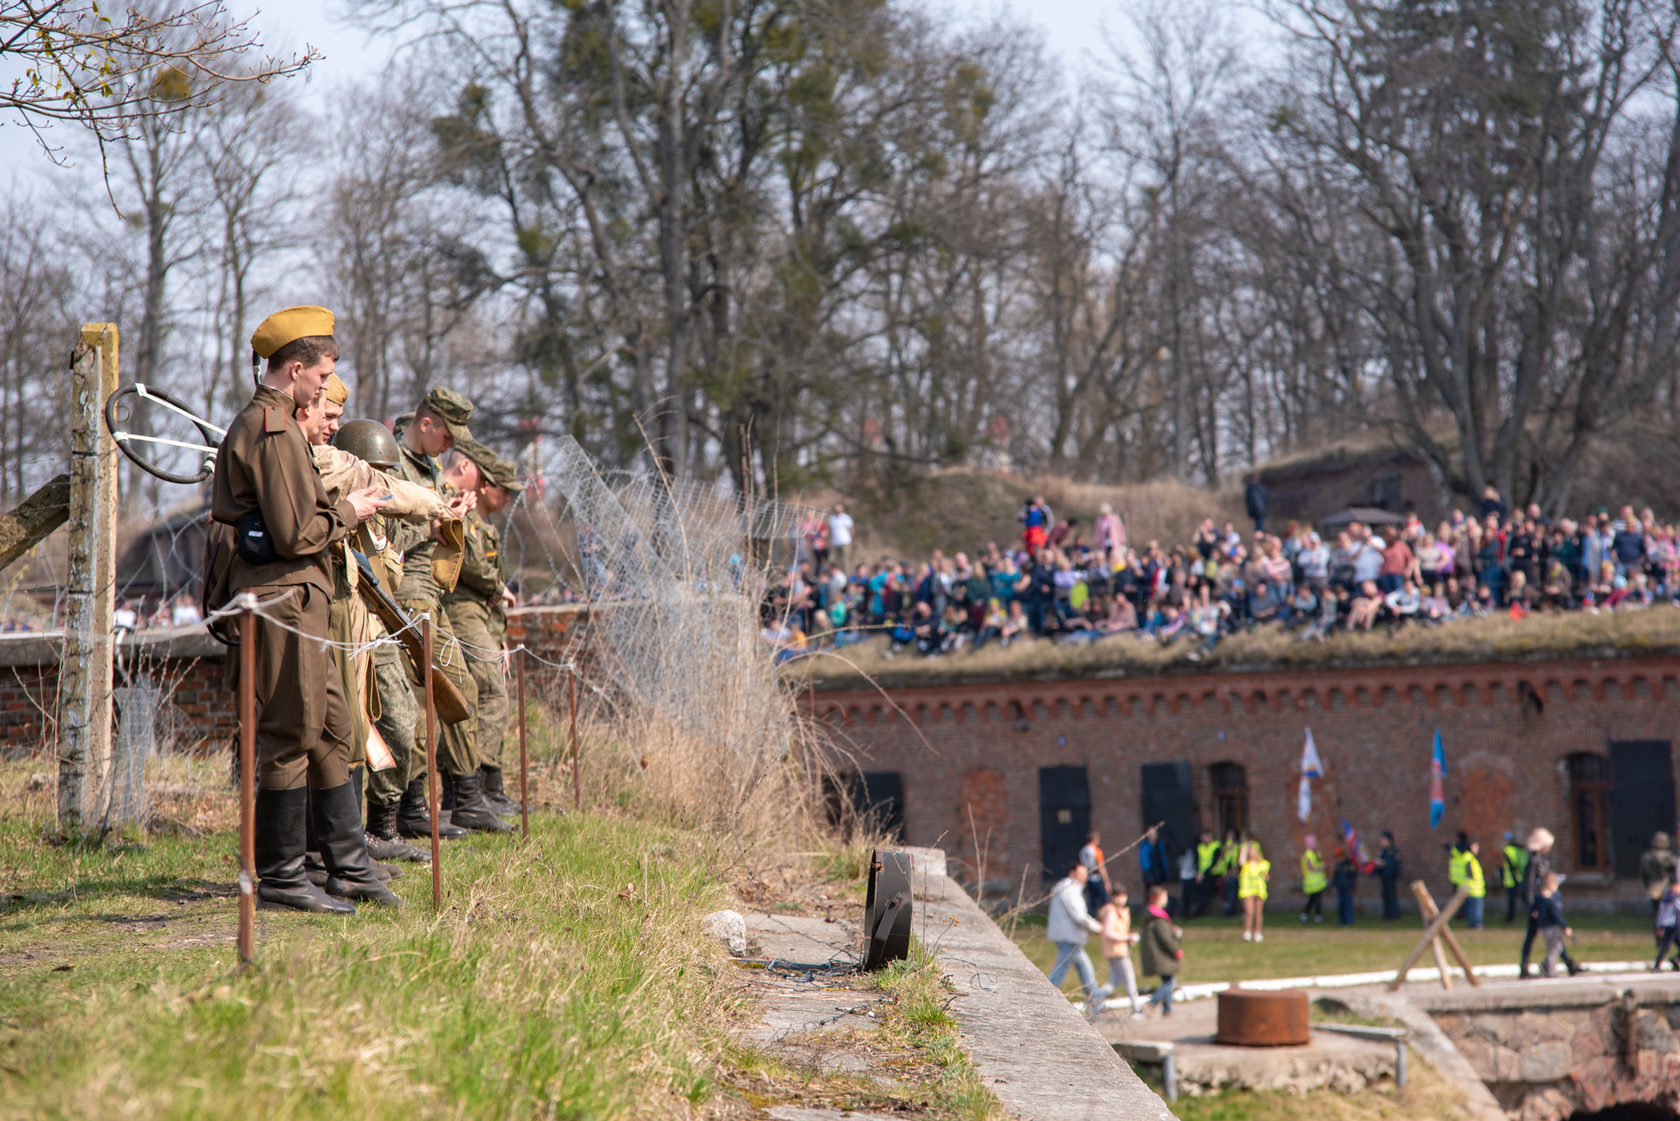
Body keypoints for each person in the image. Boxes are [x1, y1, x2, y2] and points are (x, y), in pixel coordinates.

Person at [211, 306, 393, 913]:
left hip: (302, 600)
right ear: (295, 370)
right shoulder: (272, 429)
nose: (324, 389)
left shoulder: (280, 425)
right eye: (320, 377)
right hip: (284, 598)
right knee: (292, 731)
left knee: (334, 727)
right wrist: (352, 513)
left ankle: (347, 867)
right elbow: (294, 534)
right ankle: (285, 877)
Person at [389, 389, 508, 836]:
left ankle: (465, 797)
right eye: (447, 433)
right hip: (407, 597)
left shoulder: (430, 470)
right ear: (426, 424)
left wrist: (452, 514)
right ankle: (413, 809)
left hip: (431, 598)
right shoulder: (393, 465)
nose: (451, 444)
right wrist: (433, 524)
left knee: (462, 694)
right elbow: (384, 531)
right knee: (421, 706)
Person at [442, 441, 523, 819]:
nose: (508, 497)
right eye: (504, 488)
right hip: (460, 611)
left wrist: (499, 635)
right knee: (485, 691)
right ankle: (472, 788)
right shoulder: (467, 515)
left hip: (479, 616)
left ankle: (486, 786)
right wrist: (496, 586)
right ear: (485, 486)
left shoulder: (484, 523)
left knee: (490, 690)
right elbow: (471, 568)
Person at [1519, 828, 1580, 977]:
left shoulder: (1543, 861)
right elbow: (1528, 886)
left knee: (1555, 936)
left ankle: (1569, 964)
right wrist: (1531, 907)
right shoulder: (1533, 862)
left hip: (1546, 902)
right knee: (1532, 936)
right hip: (1538, 905)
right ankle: (1524, 967)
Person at [1046, 860, 1103, 1011]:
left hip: (1067, 937)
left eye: (1085, 874)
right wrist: (1097, 927)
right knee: (1060, 972)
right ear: (1072, 873)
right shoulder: (1070, 890)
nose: (1084, 877)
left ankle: (1096, 1004)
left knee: (1085, 969)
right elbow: (1079, 916)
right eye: (1081, 874)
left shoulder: (1066, 887)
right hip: (1068, 937)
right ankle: (1045, 1000)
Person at [1093, 887, 1143, 1020]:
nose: (1122, 898)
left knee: (1114, 981)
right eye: (1119, 895)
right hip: (1117, 951)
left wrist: (1127, 939)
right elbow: (1108, 932)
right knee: (1129, 980)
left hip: (1118, 949)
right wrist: (1127, 937)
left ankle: (1095, 1000)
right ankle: (1136, 1009)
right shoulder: (1112, 912)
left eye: (1123, 895)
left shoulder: (1120, 912)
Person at [1138, 885, 1183, 1018]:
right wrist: (1176, 949)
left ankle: (1167, 1008)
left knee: (1168, 979)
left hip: (1157, 954)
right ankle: (1153, 1002)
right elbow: (1165, 938)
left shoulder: (1151, 916)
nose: (1166, 900)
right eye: (1165, 897)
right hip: (1161, 955)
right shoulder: (1158, 918)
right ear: (1157, 898)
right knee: (1169, 981)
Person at [1530, 873, 1572, 977]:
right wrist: (1565, 926)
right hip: (1552, 928)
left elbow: (1533, 910)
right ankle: (1549, 970)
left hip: (1543, 928)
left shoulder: (1538, 898)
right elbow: (1556, 916)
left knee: (1553, 948)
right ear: (1552, 885)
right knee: (1555, 949)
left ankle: (1544, 965)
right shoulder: (1550, 902)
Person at [1640, 832, 1679, 916]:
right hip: (1666, 888)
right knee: (1667, 915)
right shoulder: (1668, 857)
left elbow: (1644, 875)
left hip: (1653, 888)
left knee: (1656, 914)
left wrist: (1647, 886)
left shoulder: (1647, 857)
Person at [1239, 841, 1270, 942]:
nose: (1251, 852)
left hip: (1259, 890)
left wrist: (1265, 877)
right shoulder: (1246, 864)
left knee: (1258, 913)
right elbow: (1241, 861)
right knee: (1249, 912)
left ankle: (1257, 932)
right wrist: (1244, 850)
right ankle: (1247, 932)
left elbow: (1267, 876)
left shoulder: (1264, 864)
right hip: (1248, 890)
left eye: (1252, 850)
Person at [1078, 830, 1110, 916]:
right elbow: (1101, 866)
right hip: (1097, 878)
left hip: (1088, 878)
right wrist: (1106, 881)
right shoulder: (1096, 851)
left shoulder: (1082, 851)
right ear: (1094, 839)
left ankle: (1091, 917)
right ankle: (1105, 917)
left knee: (1091, 901)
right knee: (1104, 900)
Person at [1501, 831, 1530, 924]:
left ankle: (1510, 917)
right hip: (1522, 877)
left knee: (1512, 901)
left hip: (1512, 880)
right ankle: (1532, 914)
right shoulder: (1521, 850)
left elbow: (1511, 865)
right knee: (1525, 899)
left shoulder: (1508, 850)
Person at [1655, 875, 1680, 972]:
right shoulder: (1674, 898)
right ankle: (1657, 966)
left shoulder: (1666, 896)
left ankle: (1676, 960)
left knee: (1672, 944)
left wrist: (1659, 925)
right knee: (1666, 945)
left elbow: (1660, 912)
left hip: (1667, 923)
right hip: (1672, 924)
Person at [1300, 834, 1326, 923]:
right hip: (1313, 882)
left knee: (1312, 900)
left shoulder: (1316, 853)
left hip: (1317, 882)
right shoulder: (1309, 854)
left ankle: (1305, 915)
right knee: (1316, 899)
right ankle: (1317, 916)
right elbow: (1310, 867)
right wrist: (1320, 868)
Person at [1195, 828, 1221, 918]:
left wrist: (1203, 874)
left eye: (1206, 836)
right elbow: (1198, 861)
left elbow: (1214, 862)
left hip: (1213, 873)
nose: (1205, 838)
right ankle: (1194, 908)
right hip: (1202, 874)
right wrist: (1198, 873)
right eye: (1203, 837)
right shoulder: (1200, 847)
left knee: (1205, 888)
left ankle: (1199, 909)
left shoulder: (1216, 846)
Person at [1377, 831, 1403, 920]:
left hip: (1390, 877)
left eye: (1383, 839)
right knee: (1386, 896)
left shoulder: (1391, 851)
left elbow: (1392, 864)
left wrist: (1382, 863)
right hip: (1384, 877)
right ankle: (1387, 914)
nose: (1381, 841)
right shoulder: (1384, 851)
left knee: (1391, 896)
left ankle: (1393, 914)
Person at [1462, 840, 1486, 929]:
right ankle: (1476, 924)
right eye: (1476, 846)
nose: (1477, 848)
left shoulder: (1469, 857)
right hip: (1474, 888)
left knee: (1473, 908)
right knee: (1475, 909)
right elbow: (1470, 873)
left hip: (1474, 888)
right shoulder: (1469, 858)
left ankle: (1473, 924)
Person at [1332, 848, 1359, 925]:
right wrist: (1334, 886)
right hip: (1340, 888)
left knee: (1348, 905)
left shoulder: (1350, 865)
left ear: (1342, 856)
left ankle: (1349, 921)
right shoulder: (1338, 865)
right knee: (1341, 905)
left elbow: (1352, 877)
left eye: (1339, 857)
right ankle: (1341, 921)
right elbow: (1336, 877)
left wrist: (1352, 887)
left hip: (1348, 888)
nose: (1338, 859)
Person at [1138, 825, 1168, 892]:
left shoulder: (1160, 845)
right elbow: (1144, 861)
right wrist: (1148, 875)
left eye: (1154, 833)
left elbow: (1163, 857)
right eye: (1150, 834)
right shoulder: (1144, 847)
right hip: (1150, 873)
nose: (1152, 836)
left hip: (1159, 872)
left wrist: (1165, 870)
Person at [827, 503, 854, 572]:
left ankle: (847, 576)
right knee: (831, 560)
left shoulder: (846, 518)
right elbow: (830, 530)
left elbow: (851, 529)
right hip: (835, 542)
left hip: (845, 542)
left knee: (846, 561)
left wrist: (849, 539)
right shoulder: (831, 518)